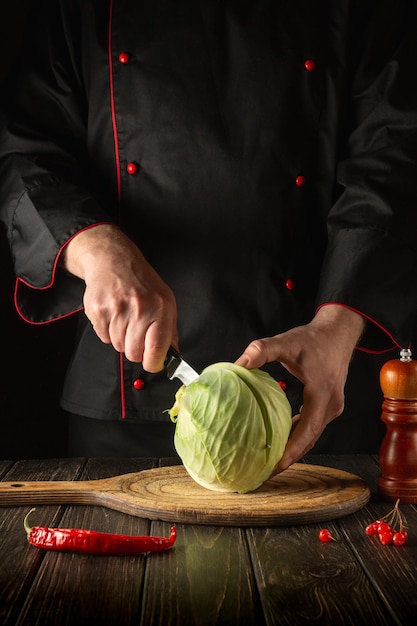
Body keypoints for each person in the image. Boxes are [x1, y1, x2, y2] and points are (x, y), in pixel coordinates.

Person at [1, 0, 417, 468]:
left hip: (313, 393)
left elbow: (397, 154)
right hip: (124, 402)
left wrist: (337, 328)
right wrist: (97, 250)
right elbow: (24, 151)